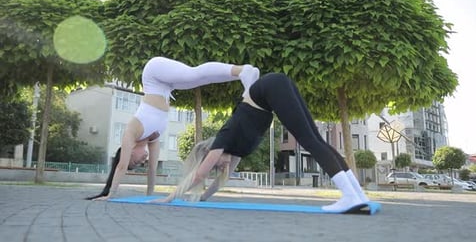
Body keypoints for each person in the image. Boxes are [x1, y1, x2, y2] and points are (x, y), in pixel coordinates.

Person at [152, 72, 370, 213]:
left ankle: (349, 196)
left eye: (215, 164)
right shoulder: (236, 151)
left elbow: (199, 175)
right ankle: (357, 194)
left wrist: (170, 198)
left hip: (270, 88)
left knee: (309, 141)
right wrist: (202, 198)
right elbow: (218, 184)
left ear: (209, 153)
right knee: (317, 140)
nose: (220, 167)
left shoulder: (222, 140)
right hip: (277, 85)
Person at [88, 56, 259, 201]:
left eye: (136, 161)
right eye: (140, 164)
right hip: (165, 86)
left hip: (153, 73)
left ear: (130, 151)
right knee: (199, 79)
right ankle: (243, 74)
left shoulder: (131, 132)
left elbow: (121, 167)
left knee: (194, 74)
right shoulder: (153, 139)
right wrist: (149, 197)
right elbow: (152, 170)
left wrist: (111, 194)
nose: (142, 161)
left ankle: (242, 71)